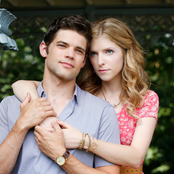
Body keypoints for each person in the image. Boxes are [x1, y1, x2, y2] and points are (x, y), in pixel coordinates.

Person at [12, 17, 159, 174]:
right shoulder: (83, 92)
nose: (100, 61)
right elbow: (20, 84)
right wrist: (39, 109)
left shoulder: (145, 99)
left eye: (109, 51)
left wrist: (84, 140)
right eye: (94, 54)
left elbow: (136, 157)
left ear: (125, 53)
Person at [0, 15, 121, 174]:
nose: (70, 54)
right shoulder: (9, 105)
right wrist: (21, 125)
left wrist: (60, 154)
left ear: (83, 61)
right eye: (62, 45)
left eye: (78, 50)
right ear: (44, 49)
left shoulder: (102, 112)